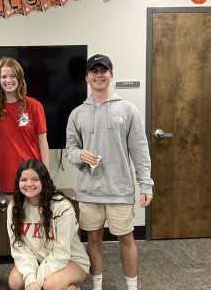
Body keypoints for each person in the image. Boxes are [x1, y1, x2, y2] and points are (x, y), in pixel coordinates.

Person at [65, 54, 154, 290]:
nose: (98, 75)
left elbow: (140, 150)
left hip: (120, 189)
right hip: (89, 190)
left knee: (126, 238)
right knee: (93, 239)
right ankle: (97, 285)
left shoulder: (127, 110)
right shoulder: (77, 114)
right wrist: (79, 156)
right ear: (87, 77)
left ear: (111, 75)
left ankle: (132, 286)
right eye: (94, 71)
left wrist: (146, 185)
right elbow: (70, 148)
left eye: (103, 70)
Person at [7, 159, 89, 290]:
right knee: (15, 282)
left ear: (43, 181)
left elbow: (62, 253)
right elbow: (20, 249)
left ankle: (64, 284)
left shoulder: (62, 207)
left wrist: (36, 282)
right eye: (23, 180)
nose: (29, 184)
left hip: (69, 259)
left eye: (35, 179)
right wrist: (30, 279)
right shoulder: (14, 207)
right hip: (37, 259)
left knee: (50, 284)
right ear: (18, 182)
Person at [0, 57, 49, 203]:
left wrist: (46, 173)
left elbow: (43, 141)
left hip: (34, 173)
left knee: (36, 220)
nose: (8, 80)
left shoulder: (34, 105)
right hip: (8, 173)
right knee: (14, 220)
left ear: (19, 78)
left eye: (13, 75)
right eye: (4, 76)